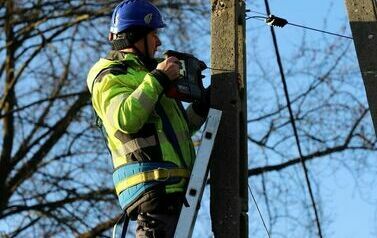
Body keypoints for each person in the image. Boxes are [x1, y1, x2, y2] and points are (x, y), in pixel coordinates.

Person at [86, 0, 210, 237]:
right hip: (153, 191)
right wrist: (158, 79)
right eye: (154, 34)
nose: (159, 42)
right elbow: (125, 118)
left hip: (174, 192)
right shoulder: (110, 76)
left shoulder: (149, 76)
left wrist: (203, 105)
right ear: (136, 35)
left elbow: (178, 131)